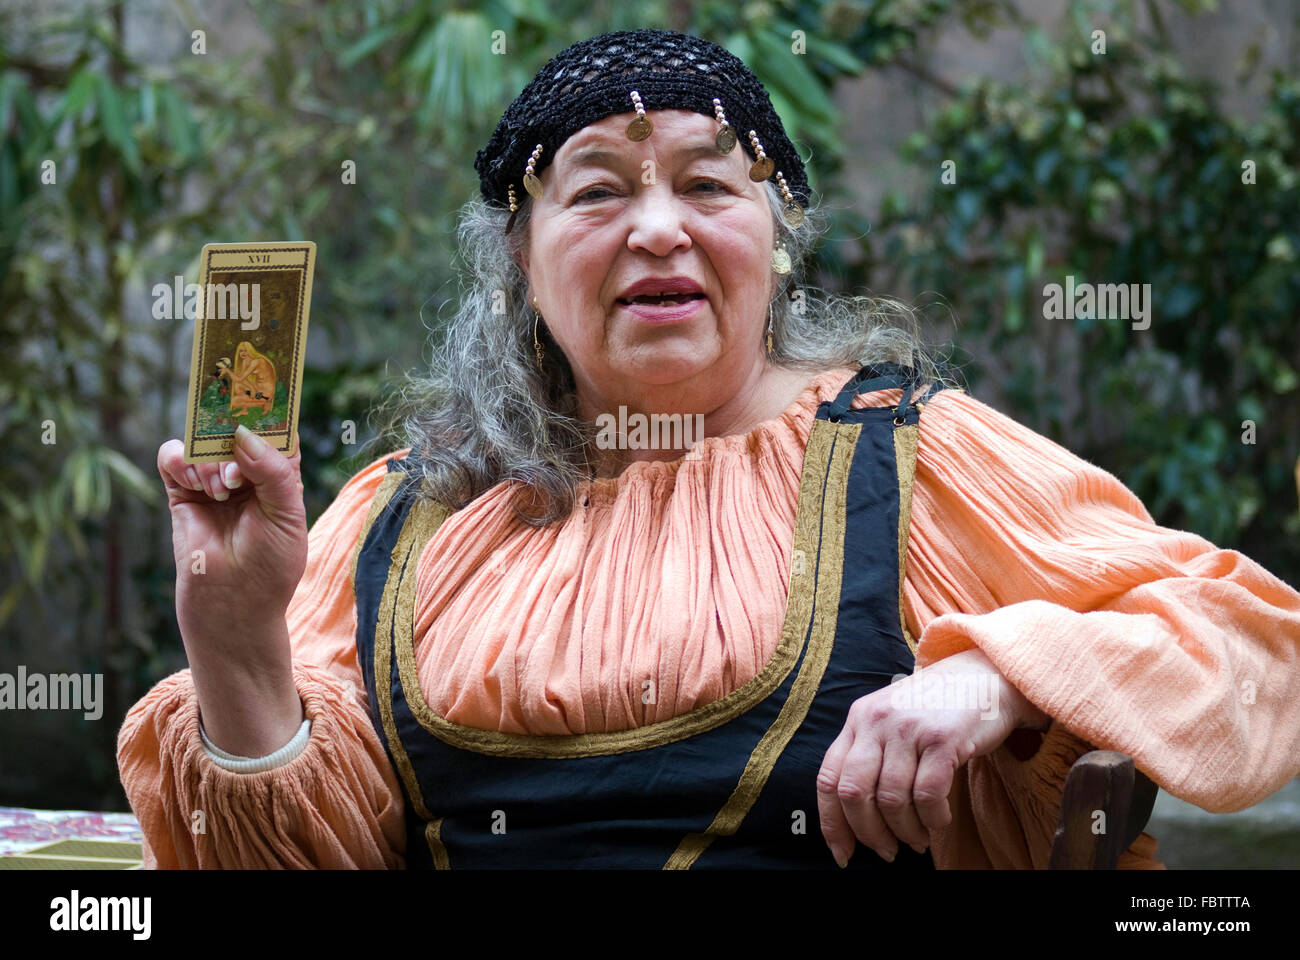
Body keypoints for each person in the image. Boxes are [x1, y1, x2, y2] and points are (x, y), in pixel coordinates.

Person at [119, 28, 1300, 869]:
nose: (657, 226)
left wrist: (993, 674)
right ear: (520, 266)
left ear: (775, 239)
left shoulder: (910, 457)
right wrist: (234, 644)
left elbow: (1247, 644)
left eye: (705, 184)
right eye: (593, 194)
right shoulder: (401, 518)